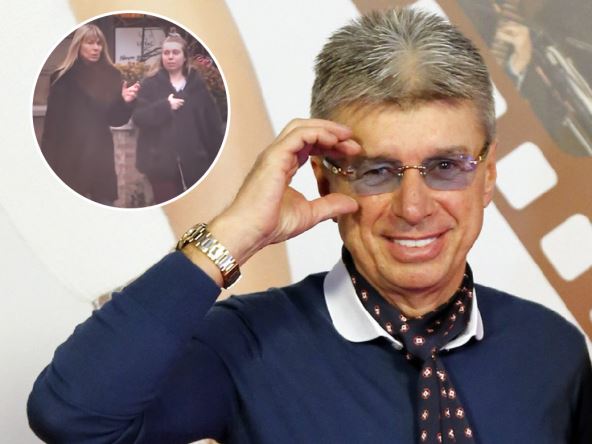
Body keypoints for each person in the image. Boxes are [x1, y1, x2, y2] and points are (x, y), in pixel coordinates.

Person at [28, 8, 591, 443]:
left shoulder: (554, 350)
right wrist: (234, 231)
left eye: (446, 166)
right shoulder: (246, 344)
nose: (414, 207)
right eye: (377, 171)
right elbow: (73, 416)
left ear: (487, 176)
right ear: (325, 178)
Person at [40, 23, 140, 205]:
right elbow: (52, 126)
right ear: (78, 45)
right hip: (68, 158)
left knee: (103, 207)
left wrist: (125, 101)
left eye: (99, 43)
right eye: (90, 43)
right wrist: (47, 165)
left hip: (100, 157)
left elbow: (115, 119)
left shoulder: (111, 75)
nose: (96, 48)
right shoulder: (62, 77)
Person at [132, 30, 225, 205]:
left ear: (184, 57)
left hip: (196, 166)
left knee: (195, 211)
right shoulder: (150, 85)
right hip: (160, 166)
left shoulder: (198, 88)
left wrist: (216, 162)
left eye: (175, 52)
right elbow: (139, 117)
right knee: (170, 212)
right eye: (166, 53)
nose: (170, 57)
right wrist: (165, 107)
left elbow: (212, 127)